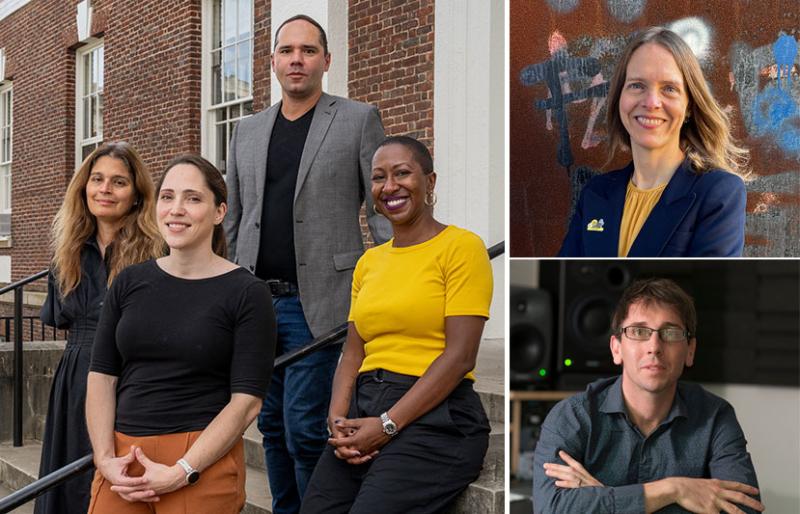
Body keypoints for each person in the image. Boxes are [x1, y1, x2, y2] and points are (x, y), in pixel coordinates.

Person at [223, 13, 391, 514]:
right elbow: (235, 217)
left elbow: (381, 206)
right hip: (256, 301)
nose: (297, 59)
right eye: (288, 51)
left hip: (320, 299)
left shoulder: (359, 118)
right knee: (270, 423)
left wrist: (392, 275)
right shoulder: (247, 130)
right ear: (272, 61)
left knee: (304, 423)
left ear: (326, 60)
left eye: (309, 50)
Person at [300, 136, 493, 513]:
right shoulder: (369, 263)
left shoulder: (461, 248)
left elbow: (460, 358)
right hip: (365, 404)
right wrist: (338, 419)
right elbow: (352, 353)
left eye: (402, 173)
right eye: (378, 177)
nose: (389, 187)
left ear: (430, 182)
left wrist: (387, 425)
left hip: (435, 415)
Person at [85, 155, 276, 513]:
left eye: (193, 198)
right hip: (124, 461)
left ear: (219, 212)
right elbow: (102, 376)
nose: (176, 209)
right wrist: (104, 458)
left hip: (201, 459)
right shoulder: (129, 281)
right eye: (168, 197)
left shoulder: (248, 292)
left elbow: (247, 401)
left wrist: (182, 471)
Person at [532, 278, 764, 514]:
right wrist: (673, 489)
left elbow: (745, 509)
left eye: (670, 332)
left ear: (690, 350)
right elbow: (550, 509)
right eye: (639, 331)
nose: (654, 346)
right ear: (616, 348)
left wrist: (605, 495)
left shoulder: (715, 417)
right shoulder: (572, 417)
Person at [35, 142, 162, 514]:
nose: (105, 189)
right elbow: (60, 317)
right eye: (98, 179)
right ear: (84, 187)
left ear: (137, 196)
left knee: (121, 485)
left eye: (119, 182)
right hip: (76, 380)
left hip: (132, 380)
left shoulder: (156, 254)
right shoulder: (67, 252)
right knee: (71, 484)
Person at [558, 26, 748, 257]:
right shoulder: (595, 194)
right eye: (637, 85)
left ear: (689, 106)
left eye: (669, 89)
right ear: (619, 98)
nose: (651, 102)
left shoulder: (718, 192)